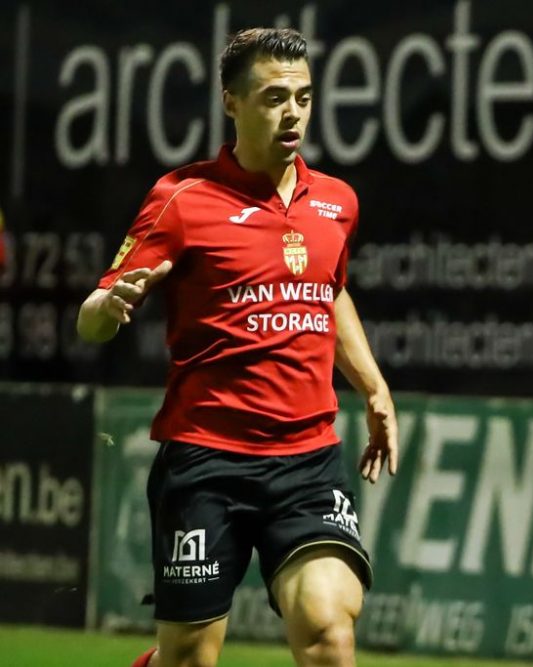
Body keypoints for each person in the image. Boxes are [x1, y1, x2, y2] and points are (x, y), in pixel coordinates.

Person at [77, 28, 397, 667]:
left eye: (304, 97)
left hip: (307, 461)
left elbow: (327, 291)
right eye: (275, 97)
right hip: (206, 462)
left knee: (330, 633)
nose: (293, 113)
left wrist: (373, 385)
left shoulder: (337, 202)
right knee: (191, 658)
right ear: (232, 102)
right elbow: (94, 316)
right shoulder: (181, 199)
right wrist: (106, 309)